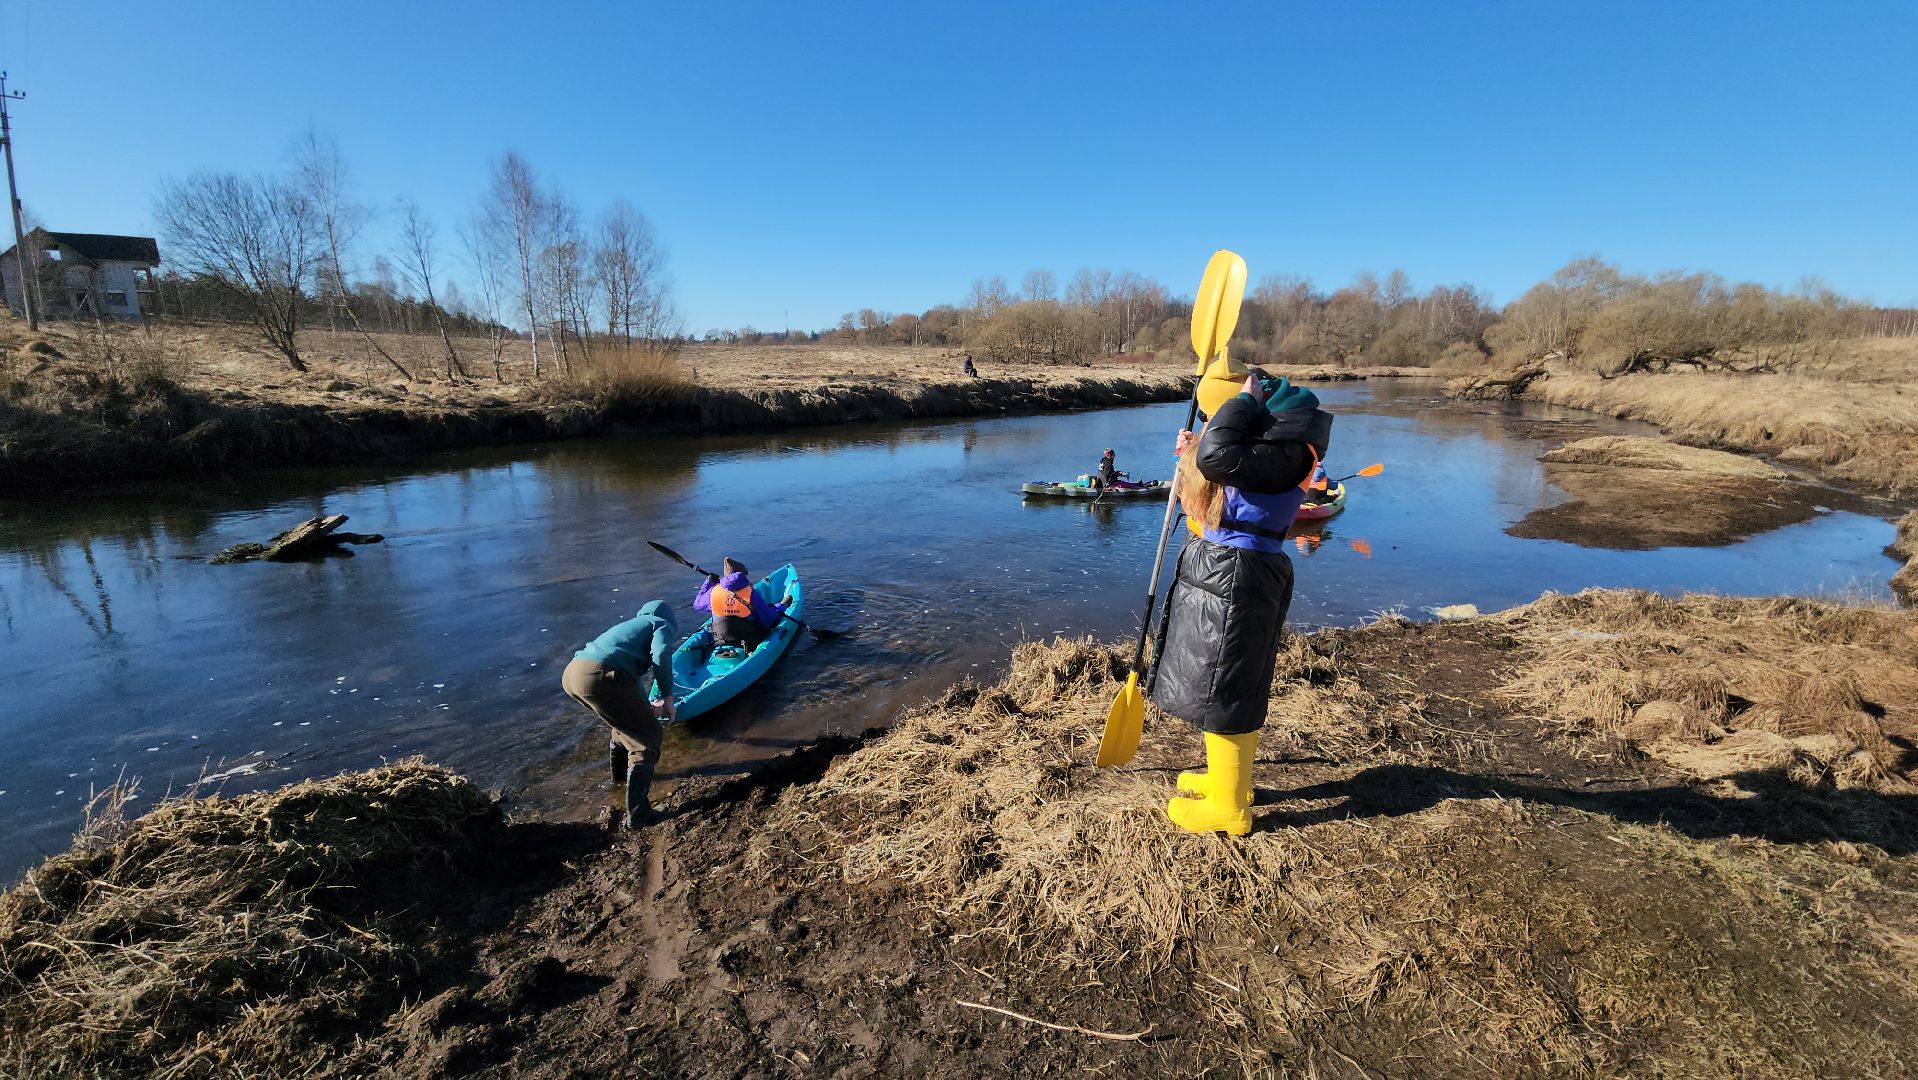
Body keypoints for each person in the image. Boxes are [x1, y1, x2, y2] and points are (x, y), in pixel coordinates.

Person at [1151, 370, 1332, 835]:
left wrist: (1232, 413)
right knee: (1217, 685)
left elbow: (1217, 458)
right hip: (1224, 570)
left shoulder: (1291, 451)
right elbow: (1212, 478)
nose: (1214, 422)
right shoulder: (1269, 443)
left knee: (1226, 690)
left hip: (1238, 575)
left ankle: (1229, 808)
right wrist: (1191, 451)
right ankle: (1227, 782)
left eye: (1219, 413)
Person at [563, 600, 679, 828]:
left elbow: (629, 681)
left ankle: (618, 783)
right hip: (600, 674)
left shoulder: (630, 629)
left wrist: (645, 707)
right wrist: (668, 697)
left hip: (573, 675)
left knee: (624, 728)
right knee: (648, 738)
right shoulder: (659, 623)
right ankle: (638, 813)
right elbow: (662, 654)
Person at [689, 557, 792, 656]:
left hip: (721, 639)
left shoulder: (714, 591)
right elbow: (768, 618)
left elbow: (697, 605)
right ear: (742, 575)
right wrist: (781, 606)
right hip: (749, 640)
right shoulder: (751, 594)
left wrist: (708, 582)